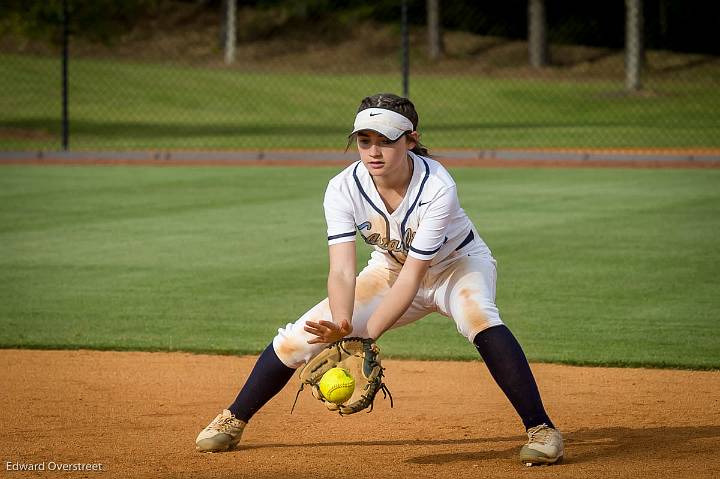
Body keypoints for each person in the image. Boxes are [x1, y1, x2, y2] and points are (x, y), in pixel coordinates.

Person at [195, 93, 564, 466]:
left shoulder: (437, 187)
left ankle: (542, 429)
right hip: (389, 269)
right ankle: (233, 418)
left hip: (458, 265)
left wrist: (366, 336)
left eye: (386, 140)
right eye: (364, 140)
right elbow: (341, 269)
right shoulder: (342, 187)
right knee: (299, 337)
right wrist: (341, 323)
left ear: (411, 140)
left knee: (478, 317)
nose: (374, 151)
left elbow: (416, 276)